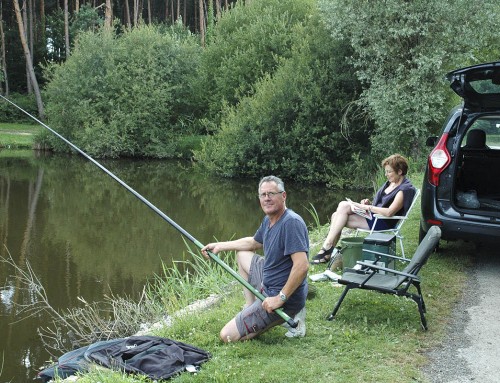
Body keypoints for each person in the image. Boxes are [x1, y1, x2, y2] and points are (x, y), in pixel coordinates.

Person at [201, 175, 309, 342]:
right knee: (242, 253)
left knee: (227, 336)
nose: (267, 198)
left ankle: (290, 315)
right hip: (268, 279)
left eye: (271, 194)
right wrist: (220, 246)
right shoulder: (269, 219)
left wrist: (280, 299)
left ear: (284, 195)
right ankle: (251, 307)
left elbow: (302, 266)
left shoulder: (291, 223)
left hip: (282, 296)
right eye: (263, 195)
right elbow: (253, 242)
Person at [311, 154, 416, 264]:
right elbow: (381, 204)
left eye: (389, 172)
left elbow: (389, 212)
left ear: (399, 171)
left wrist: (368, 207)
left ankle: (327, 248)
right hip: (373, 216)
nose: (386, 175)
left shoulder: (405, 189)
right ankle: (327, 251)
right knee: (337, 214)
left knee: (341, 209)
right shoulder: (391, 183)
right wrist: (368, 203)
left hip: (383, 221)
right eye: (385, 171)